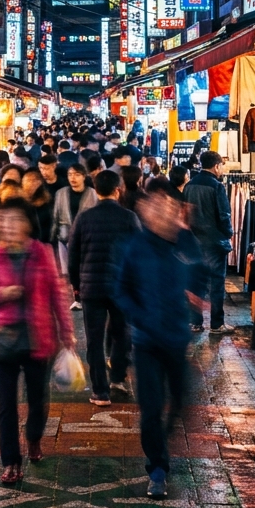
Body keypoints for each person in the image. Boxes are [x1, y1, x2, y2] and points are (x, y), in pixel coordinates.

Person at [0, 199, 76, 485]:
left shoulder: (42, 253)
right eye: (2, 219)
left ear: (27, 223)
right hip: (2, 341)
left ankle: (34, 437)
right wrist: (2, 293)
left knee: (38, 401)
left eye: (15, 219)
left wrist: (67, 335)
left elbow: (57, 295)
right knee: (6, 406)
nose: (8, 225)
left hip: (38, 338)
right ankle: (11, 461)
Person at [113, 177, 204, 499]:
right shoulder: (136, 246)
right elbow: (121, 290)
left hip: (178, 341)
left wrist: (197, 294)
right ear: (145, 209)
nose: (161, 211)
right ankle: (157, 468)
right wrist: (140, 317)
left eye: (168, 204)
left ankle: (162, 442)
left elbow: (200, 271)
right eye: (155, 204)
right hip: (146, 342)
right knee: (151, 409)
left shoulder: (184, 241)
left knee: (180, 403)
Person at [67, 170, 142, 406]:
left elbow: (73, 256)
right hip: (121, 287)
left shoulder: (84, 218)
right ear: (118, 190)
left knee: (94, 340)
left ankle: (100, 391)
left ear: (96, 191)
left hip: (92, 288)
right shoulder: (129, 218)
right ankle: (118, 378)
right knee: (121, 334)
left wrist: (77, 286)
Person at [184, 151, 235, 334]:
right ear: (216, 166)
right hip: (214, 242)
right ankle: (216, 324)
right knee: (216, 284)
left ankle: (195, 322)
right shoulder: (217, 187)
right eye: (221, 165)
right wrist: (229, 233)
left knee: (196, 283)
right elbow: (224, 215)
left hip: (194, 242)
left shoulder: (189, 186)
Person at [21, 168, 54, 242]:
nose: (32, 183)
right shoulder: (20, 202)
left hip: (43, 243)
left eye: (35, 180)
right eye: (29, 180)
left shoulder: (46, 202)